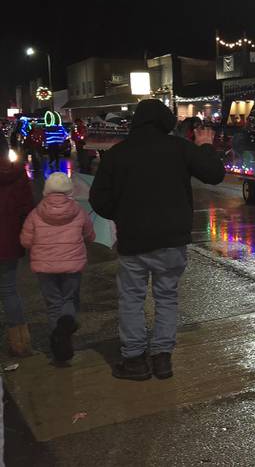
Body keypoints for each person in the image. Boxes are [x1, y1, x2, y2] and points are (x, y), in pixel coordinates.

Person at [89, 99, 225, 381]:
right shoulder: (179, 148)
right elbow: (214, 174)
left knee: (131, 299)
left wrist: (123, 214)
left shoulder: (117, 154)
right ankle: (162, 359)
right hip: (171, 239)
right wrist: (205, 145)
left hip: (134, 240)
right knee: (166, 297)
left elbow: (99, 200)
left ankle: (135, 360)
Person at [20, 172, 95, 362]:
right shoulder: (78, 210)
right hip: (72, 265)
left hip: (45, 268)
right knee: (69, 299)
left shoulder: (36, 213)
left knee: (53, 304)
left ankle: (58, 346)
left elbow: (26, 241)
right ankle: (66, 325)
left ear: (46, 190)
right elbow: (90, 236)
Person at [0, 135, 34, 357]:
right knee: (9, 290)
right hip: (9, 241)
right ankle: (20, 342)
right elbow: (27, 208)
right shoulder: (18, 173)